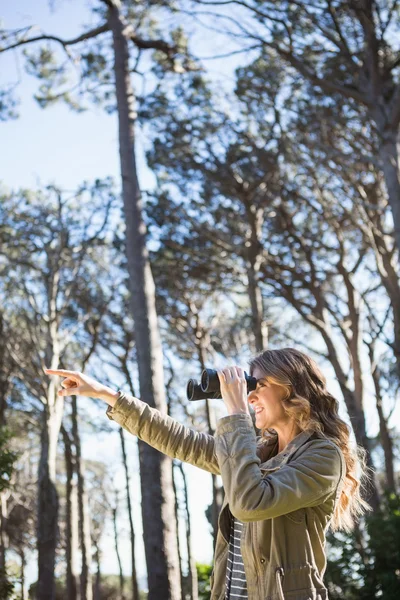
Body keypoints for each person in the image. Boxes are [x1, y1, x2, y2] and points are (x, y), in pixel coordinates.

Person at [45, 347, 373, 600]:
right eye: (249, 387)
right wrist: (108, 394)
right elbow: (183, 441)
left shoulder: (322, 456)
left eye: (257, 385)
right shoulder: (257, 451)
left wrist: (236, 415)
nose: (250, 396)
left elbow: (250, 502)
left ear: (292, 388)